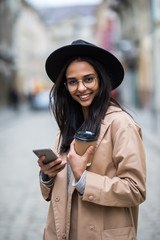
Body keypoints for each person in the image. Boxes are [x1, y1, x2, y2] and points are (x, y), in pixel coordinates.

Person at [37, 40, 146, 240]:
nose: (81, 88)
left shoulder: (121, 124)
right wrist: (47, 176)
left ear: (101, 80)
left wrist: (83, 178)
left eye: (88, 79)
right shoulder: (66, 129)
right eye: (72, 81)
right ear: (65, 86)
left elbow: (135, 190)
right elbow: (52, 194)